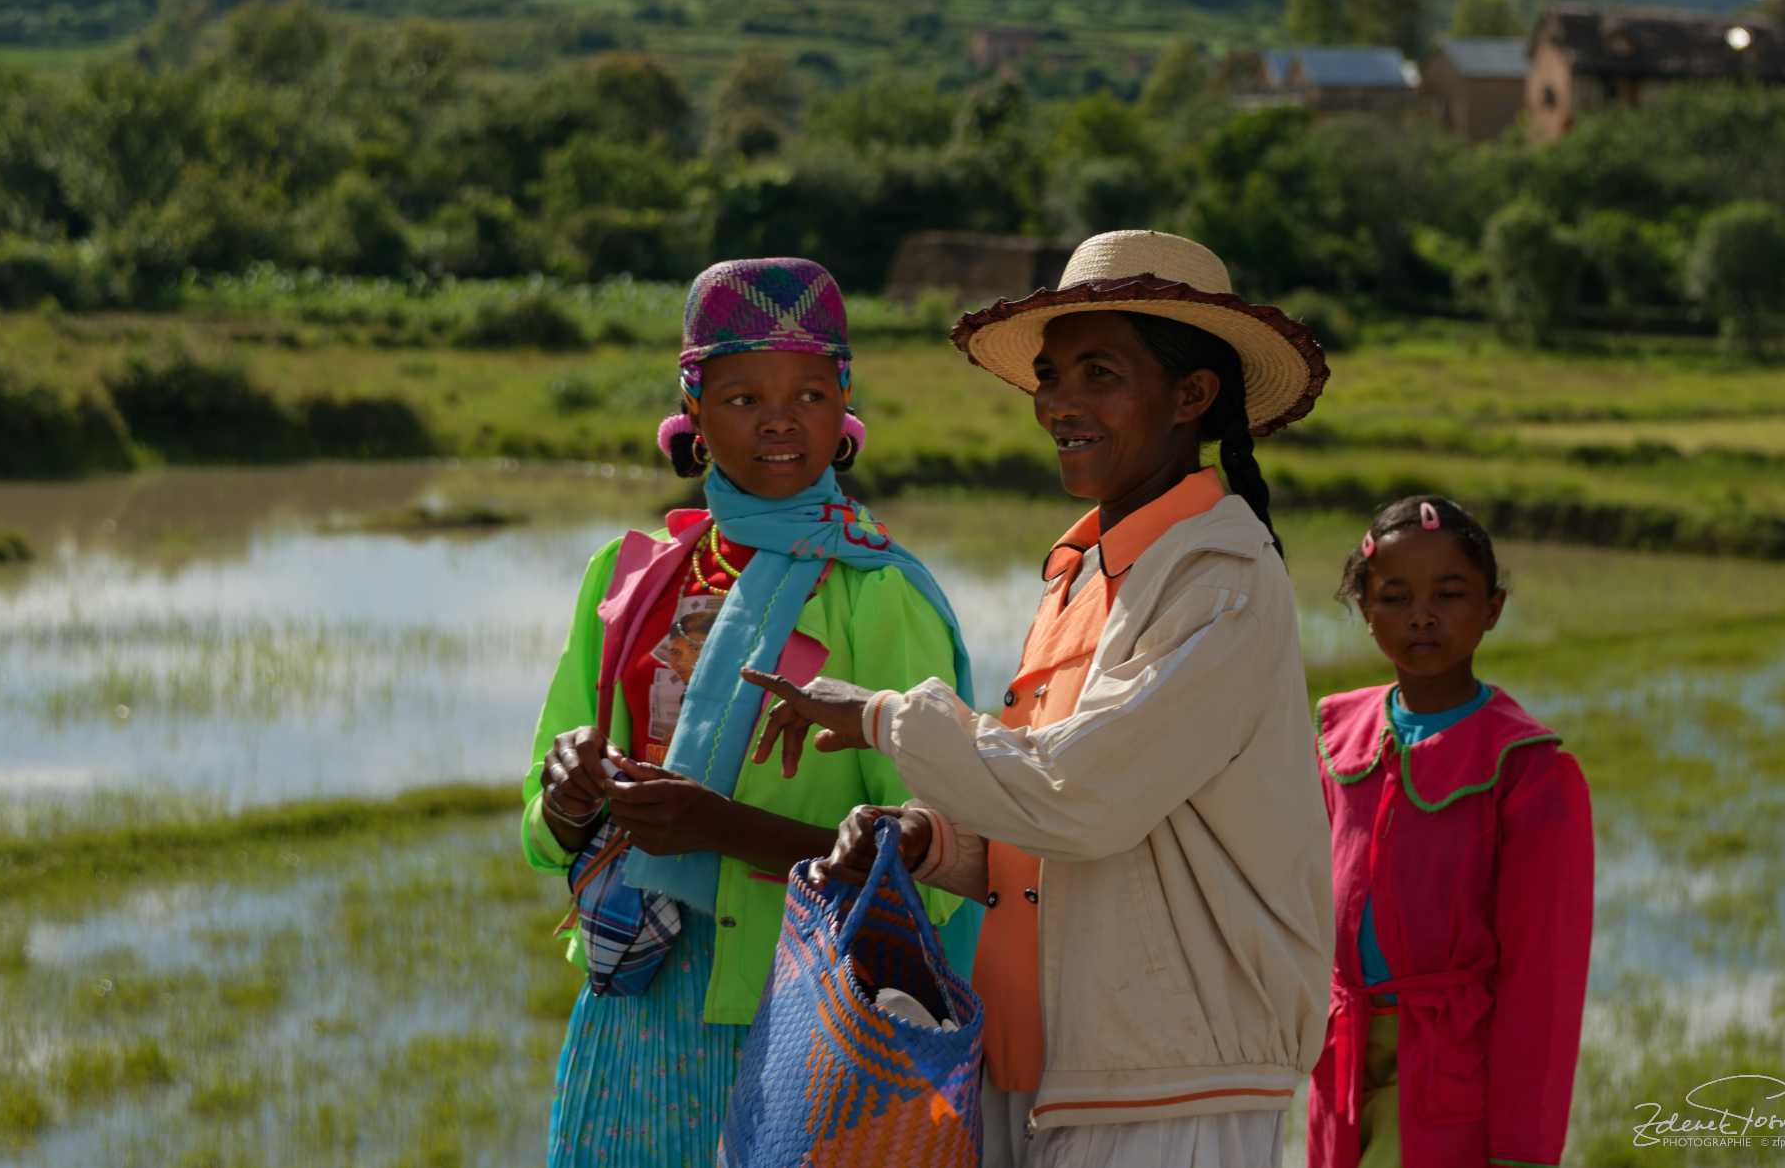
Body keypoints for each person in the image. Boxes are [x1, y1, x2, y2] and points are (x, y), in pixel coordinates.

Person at [742, 229, 1337, 1168]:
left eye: (1101, 373)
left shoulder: (1218, 578)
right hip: (1038, 1064)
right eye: (1051, 376)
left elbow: (1082, 797)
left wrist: (880, 717)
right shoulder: (1084, 569)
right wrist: (929, 840)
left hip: (1166, 1085)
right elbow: (1045, 819)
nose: (1060, 403)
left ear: (1192, 395)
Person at [520, 258, 978, 1168]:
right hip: (633, 1006)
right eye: (741, 398)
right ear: (691, 410)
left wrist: (718, 828)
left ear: (843, 407)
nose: (779, 420)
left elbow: (929, 865)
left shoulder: (878, 595)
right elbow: (541, 829)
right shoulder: (631, 577)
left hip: (809, 1019)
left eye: (810, 393)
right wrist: (569, 799)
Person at [1304, 496, 1593, 1168]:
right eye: (1395, 596)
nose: (1422, 615)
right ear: (1364, 608)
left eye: (1450, 594)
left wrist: (1522, 1151)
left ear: (1492, 608)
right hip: (1341, 1062)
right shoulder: (1336, 737)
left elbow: (1543, 983)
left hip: (1451, 1074)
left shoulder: (1525, 768)